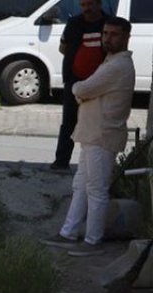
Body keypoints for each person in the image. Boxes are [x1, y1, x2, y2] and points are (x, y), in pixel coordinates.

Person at [43, 17, 136, 258]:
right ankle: (68, 232)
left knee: (96, 189)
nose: (108, 38)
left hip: (102, 135)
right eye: (105, 33)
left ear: (126, 36)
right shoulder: (111, 61)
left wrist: (78, 90)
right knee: (81, 186)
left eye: (114, 34)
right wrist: (83, 92)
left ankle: (93, 241)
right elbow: (88, 90)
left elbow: (83, 89)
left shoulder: (118, 65)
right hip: (92, 133)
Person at [52, 0, 108, 171]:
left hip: (100, 83)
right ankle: (61, 162)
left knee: (98, 123)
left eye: (90, 4)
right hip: (74, 80)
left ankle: (95, 165)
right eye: (83, 5)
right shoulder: (74, 23)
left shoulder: (109, 24)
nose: (87, 9)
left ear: (99, 4)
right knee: (69, 122)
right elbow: (63, 48)